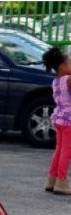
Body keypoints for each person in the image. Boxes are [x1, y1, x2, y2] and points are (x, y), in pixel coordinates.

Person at [42, 46, 71, 195]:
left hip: (59, 119)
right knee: (67, 151)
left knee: (59, 150)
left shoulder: (56, 81)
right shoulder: (68, 79)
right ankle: (62, 181)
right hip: (69, 121)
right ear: (62, 66)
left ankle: (51, 180)